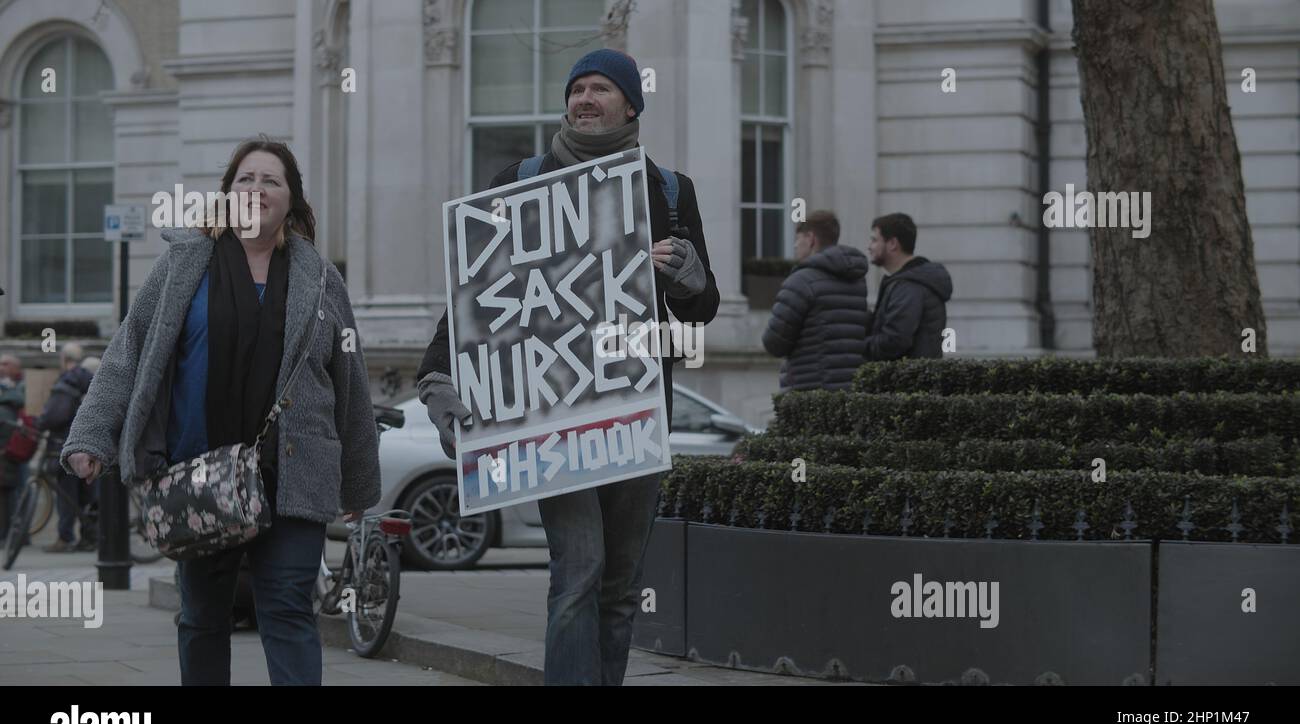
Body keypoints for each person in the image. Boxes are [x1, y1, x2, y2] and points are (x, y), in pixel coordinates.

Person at [418, 49, 720, 685]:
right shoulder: (518, 178)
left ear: (631, 105)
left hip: (637, 412)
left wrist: (692, 278)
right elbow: (477, 294)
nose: (585, 98)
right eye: (577, 88)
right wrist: (438, 377)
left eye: (601, 88)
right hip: (548, 418)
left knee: (619, 587)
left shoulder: (668, 191)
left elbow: (702, 311)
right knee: (578, 575)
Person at [60, 138, 381, 686]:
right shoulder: (186, 262)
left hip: (292, 482)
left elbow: (349, 381)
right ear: (228, 193)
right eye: (245, 180)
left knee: (287, 612)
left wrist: (358, 485)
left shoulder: (322, 279)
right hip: (199, 478)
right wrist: (90, 435)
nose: (256, 190)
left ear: (292, 200)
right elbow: (130, 349)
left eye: (270, 181)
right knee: (204, 619)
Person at [761, 210, 870, 390]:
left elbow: (774, 343)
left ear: (811, 239)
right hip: (849, 391)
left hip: (810, 390)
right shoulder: (857, 280)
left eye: (798, 239)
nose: (795, 245)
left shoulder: (801, 281)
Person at [864, 212, 953, 361]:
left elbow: (894, 342)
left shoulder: (909, 286)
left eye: (874, 240)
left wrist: (857, 346)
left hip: (907, 380)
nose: (869, 247)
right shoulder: (909, 281)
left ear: (892, 244)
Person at [36, 343, 95, 552]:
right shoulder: (87, 378)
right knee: (85, 493)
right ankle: (89, 537)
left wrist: (40, 422)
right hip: (87, 443)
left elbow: (55, 415)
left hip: (65, 443)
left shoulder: (68, 379)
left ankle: (65, 537)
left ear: (63, 358)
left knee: (65, 493)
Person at [0, 352, 26, 541]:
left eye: (6, 364)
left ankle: (17, 534)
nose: (2, 367)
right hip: (8, 445)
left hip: (15, 447)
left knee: (16, 491)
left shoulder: (21, 389)